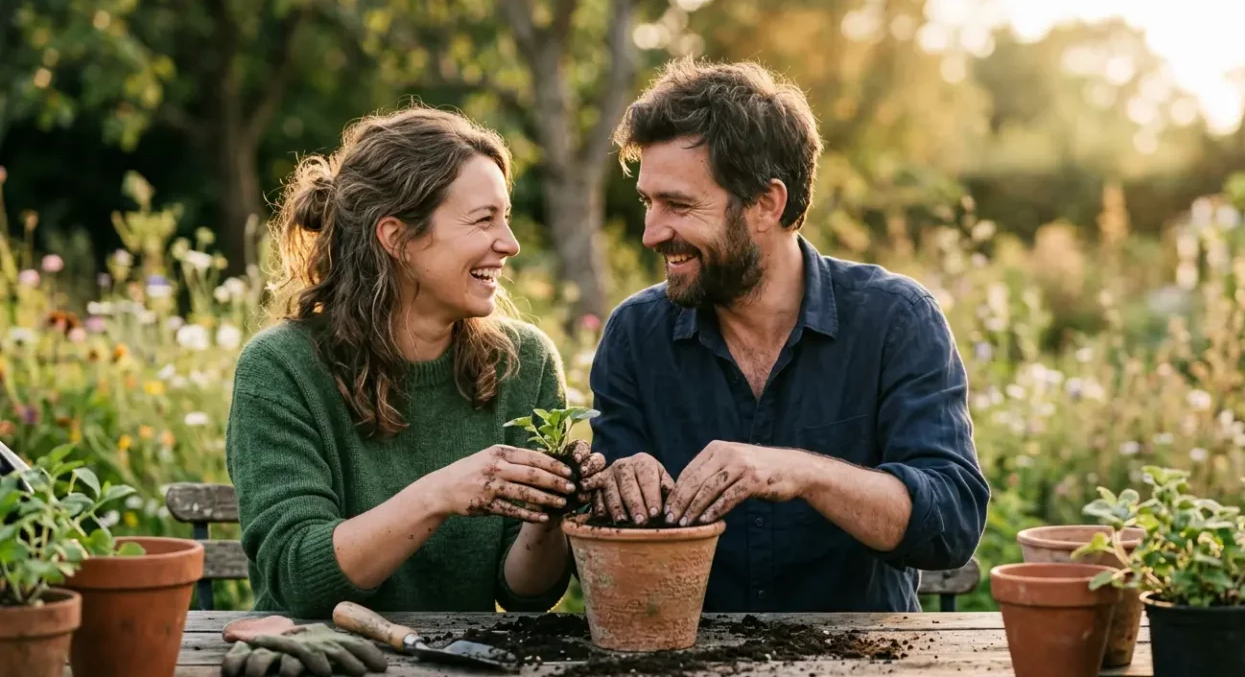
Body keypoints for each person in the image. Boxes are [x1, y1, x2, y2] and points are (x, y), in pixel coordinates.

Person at [581, 58, 990, 613]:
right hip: (690, 659)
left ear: (765, 204)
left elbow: (951, 526)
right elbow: (606, 543)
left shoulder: (895, 320)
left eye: (678, 204)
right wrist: (615, 487)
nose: (653, 232)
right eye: (648, 202)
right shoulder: (635, 335)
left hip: (867, 660)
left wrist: (799, 471)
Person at [224, 106, 602, 618]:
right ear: (397, 238)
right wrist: (442, 493)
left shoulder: (524, 362)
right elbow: (297, 579)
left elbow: (525, 596)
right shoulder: (280, 369)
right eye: (483, 219)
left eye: (506, 217)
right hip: (322, 658)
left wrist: (545, 513)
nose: (509, 245)